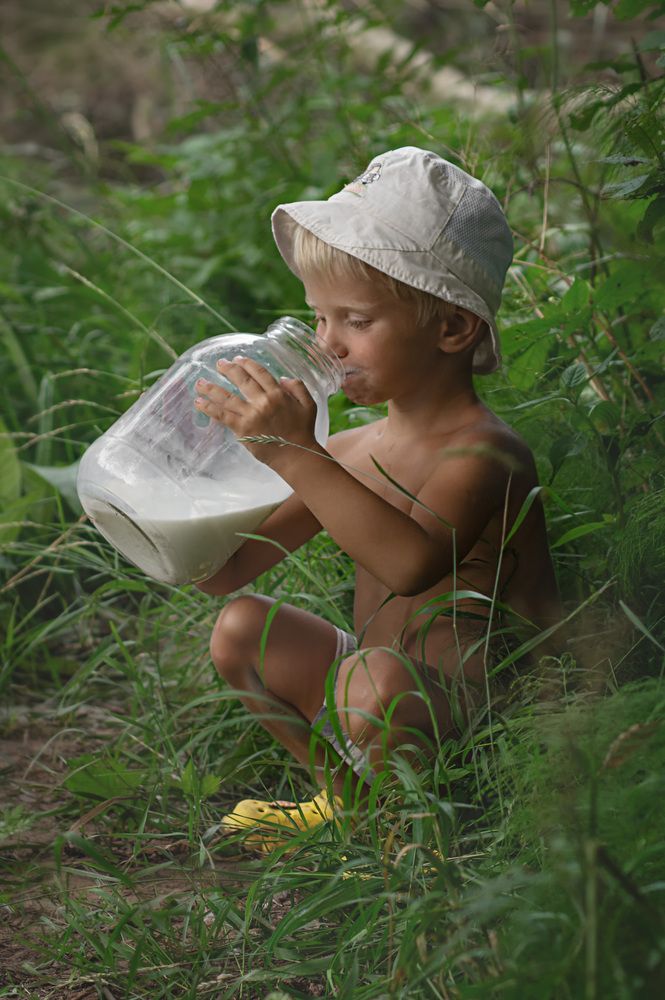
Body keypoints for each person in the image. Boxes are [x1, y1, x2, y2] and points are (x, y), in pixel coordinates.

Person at [193, 146, 561, 850]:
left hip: (475, 714)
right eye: (317, 317)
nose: (327, 344)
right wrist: (181, 485)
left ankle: (416, 838)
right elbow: (223, 573)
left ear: (451, 329)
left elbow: (410, 565)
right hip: (369, 692)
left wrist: (296, 454)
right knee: (243, 626)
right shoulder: (348, 453)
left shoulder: (486, 453)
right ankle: (352, 805)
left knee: (375, 674)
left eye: (355, 321)